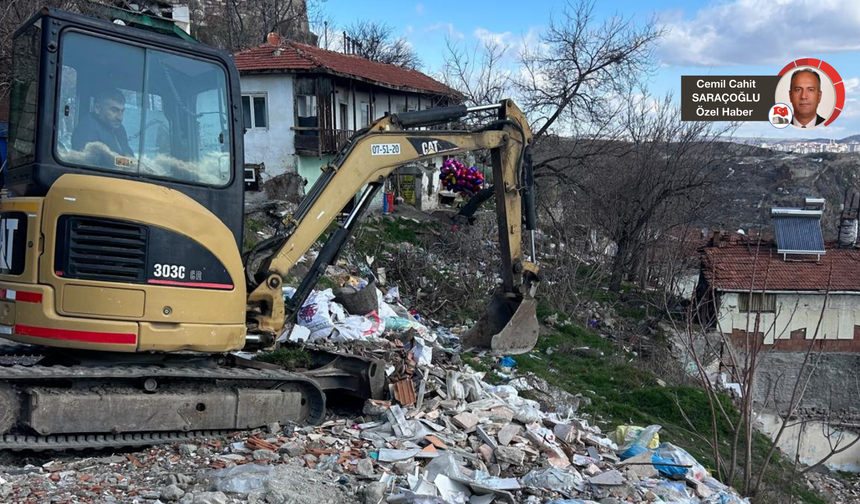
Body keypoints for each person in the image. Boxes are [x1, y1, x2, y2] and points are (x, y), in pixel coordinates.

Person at [71, 88, 134, 159]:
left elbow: (129, 157)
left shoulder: (119, 129)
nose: (120, 118)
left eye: (122, 111)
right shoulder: (85, 129)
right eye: (114, 110)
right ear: (97, 108)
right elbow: (89, 163)